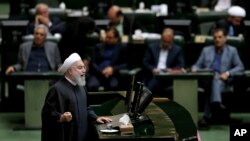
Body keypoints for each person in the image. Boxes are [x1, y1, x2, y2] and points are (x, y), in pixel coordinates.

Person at [41, 53, 112, 141]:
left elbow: (87, 108)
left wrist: (96, 118)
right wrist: (61, 117)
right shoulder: (56, 89)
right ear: (70, 71)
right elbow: (47, 114)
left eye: (84, 67)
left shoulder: (82, 87)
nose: (84, 70)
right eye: (80, 68)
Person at [192, 28, 244, 128]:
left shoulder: (232, 51)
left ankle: (206, 116)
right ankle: (217, 103)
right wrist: (195, 69)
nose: (217, 40)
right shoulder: (206, 50)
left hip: (224, 82)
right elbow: (196, 65)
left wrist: (228, 73)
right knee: (212, 78)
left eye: (220, 37)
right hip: (207, 80)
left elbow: (240, 67)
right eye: (215, 37)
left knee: (213, 81)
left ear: (225, 38)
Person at [143, 28, 185, 98]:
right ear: (161, 38)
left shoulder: (177, 50)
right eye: (165, 41)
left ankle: (143, 101)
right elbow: (145, 62)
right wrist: (153, 69)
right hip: (154, 74)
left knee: (154, 84)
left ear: (172, 40)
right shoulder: (152, 47)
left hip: (168, 77)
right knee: (153, 81)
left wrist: (171, 70)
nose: (166, 43)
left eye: (168, 42)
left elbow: (181, 64)